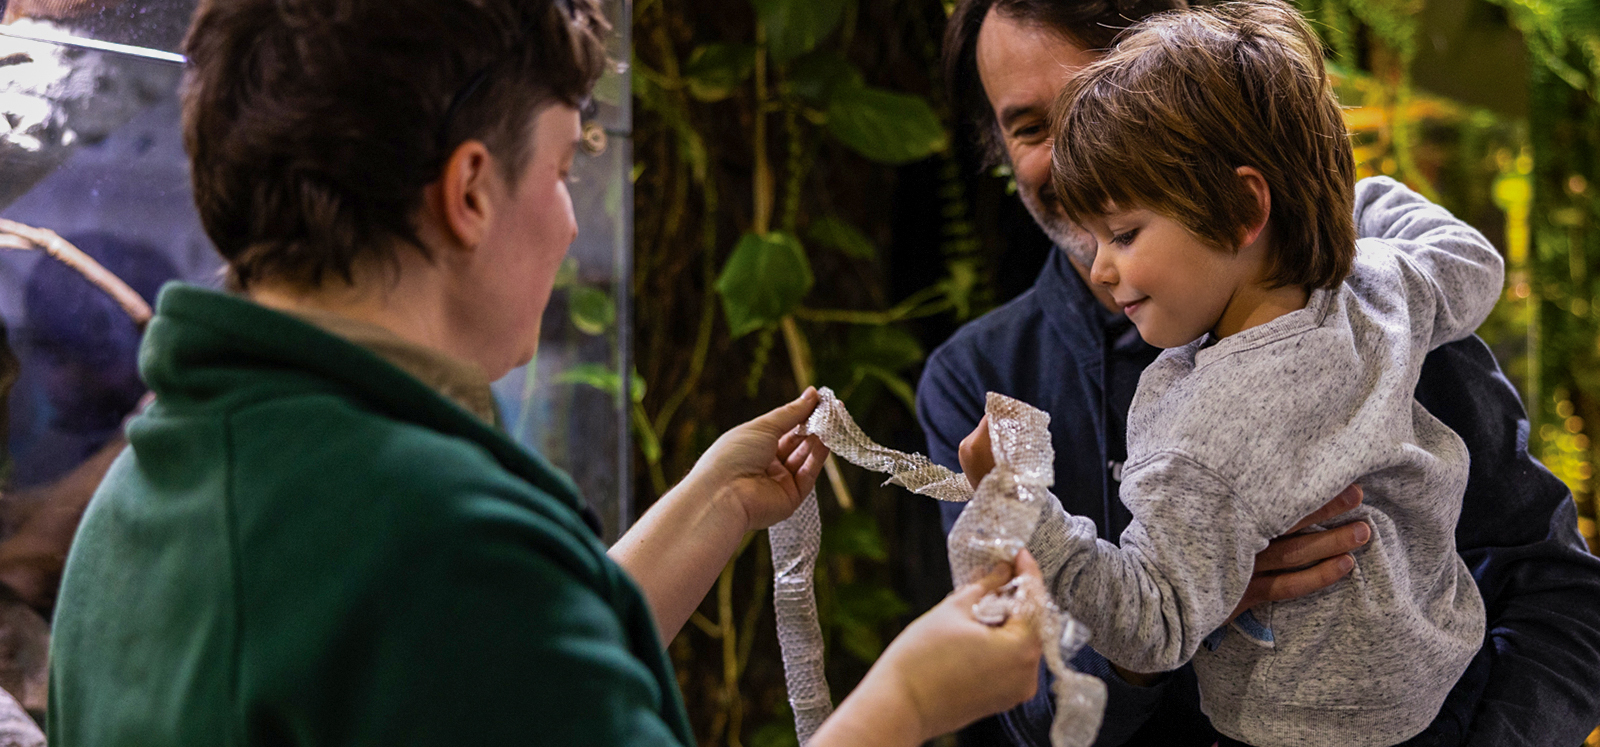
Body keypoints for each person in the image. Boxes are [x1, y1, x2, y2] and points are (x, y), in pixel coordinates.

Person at [44, 1, 1045, 745]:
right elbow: (487, 621)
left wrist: (711, 504)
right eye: (565, 169)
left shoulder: (136, 505)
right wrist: (909, 700)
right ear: (471, 190)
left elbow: (487, 688)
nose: (571, 222)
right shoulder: (438, 535)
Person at [920, 0, 1600, 745]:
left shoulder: (1368, 302)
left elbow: (1557, 592)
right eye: (1031, 126)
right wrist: (1192, 603)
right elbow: (1028, 712)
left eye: (1103, 93)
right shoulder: (977, 380)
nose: (1082, 147)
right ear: (998, 149)